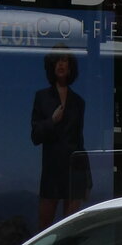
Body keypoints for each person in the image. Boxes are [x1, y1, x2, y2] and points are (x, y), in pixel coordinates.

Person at [31, 44, 88, 230]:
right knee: (44, 228)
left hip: (75, 169)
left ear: (70, 65)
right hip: (52, 170)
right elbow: (35, 136)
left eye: (64, 60)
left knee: (71, 230)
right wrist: (52, 121)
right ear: (51, 65)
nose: (61, 64)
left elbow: (79, 140)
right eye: (57, 60)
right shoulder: (42, 97)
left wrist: (86, 178)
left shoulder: (79, 101)